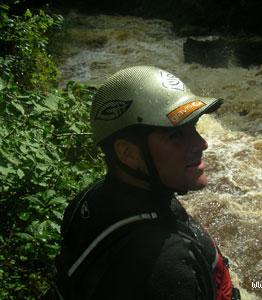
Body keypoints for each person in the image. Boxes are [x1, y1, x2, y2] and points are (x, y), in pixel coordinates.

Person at [54, 66, 241, 300]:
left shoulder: (92, 198)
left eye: (193, 127)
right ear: (128, 153)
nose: (201, 143)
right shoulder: (164, 267)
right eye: (176, 136)